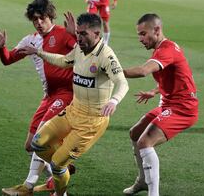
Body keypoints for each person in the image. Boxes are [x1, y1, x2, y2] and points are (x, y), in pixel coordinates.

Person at [17, 12, 129, 196]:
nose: (79, 37)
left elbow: (122, 82)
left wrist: (114, 100)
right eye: (78, 33)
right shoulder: (79, 48)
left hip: (91, 122)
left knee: (56, 164)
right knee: (37, 143)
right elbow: (64, 61)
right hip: (72, 111)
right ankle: (63, 168)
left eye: (84, 33)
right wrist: (38, 52)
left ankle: (61, 193)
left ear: (97, 35)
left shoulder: (106, 56)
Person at [0, 0, 77, 196]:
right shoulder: (30, 40)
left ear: (50, 16)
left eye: (42, 18)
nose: (38, 22)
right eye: (34, 19)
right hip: (48, 96)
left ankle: (28, 186)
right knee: (30, 145)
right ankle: (61, 168)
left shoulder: (63, 34)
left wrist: (76, 36)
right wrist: (1, 47)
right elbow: (8, 59)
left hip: (67, 94)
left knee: (41, 138)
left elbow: (85, 53)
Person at [122, 13, 198, 196]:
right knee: (136, 133)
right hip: (169, 104)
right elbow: (175, 76)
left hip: (183, 108)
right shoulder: (162, 49)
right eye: (139, 34)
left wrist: (115, 71)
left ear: (156, 30)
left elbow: (142, 71)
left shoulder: (166, 49)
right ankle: (142, 181)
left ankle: (153, 193)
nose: (140, 39)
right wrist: (155, 91)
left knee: (145, 141)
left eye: (143, 34)